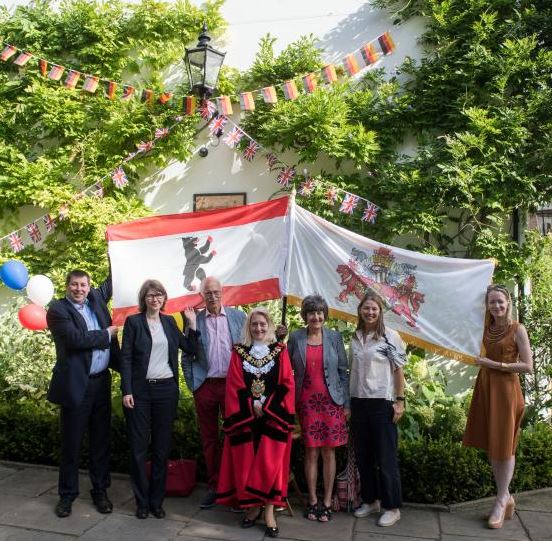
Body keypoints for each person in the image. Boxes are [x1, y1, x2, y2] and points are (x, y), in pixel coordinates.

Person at [120, 279, 199, 519]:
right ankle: (141, 502)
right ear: (143, 299)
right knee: (138, 448)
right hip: (141, 392)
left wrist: (192, 325)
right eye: (150, 296)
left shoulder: (168, 322)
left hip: (166, 391)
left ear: (164, 299)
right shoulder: (133, 323)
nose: (155, 299)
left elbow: (190, 348)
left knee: (162, 449)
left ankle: (156, 501)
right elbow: (126, 359)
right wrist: (127, 390)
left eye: (159, 295)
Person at [46, 268, 120, 518]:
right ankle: (67, 495)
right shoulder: (57, 310)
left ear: (89, 287)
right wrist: (107, 334)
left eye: (83, 285)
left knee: (101, 442)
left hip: (101, 383)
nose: (79, 289)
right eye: (74, 285)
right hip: (77, 385)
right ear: (67, 286)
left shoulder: (96, 299)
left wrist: (116, 247)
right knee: (72, 444)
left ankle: (100, 491)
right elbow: (76, 339)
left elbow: (113, 280)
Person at [216, 307, 295, 538]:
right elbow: (234, 383)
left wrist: (267, 406)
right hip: (248, 417)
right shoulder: (239, 352)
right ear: (248, 327)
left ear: (269, 326)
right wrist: (252, 405)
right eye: (254, 324)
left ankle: (269, 511)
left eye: (262, 324)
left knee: (271, 465)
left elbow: (286, 383)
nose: (258, 328)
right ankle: (251, 508)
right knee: (249, 464)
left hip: (272, 416)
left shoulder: (280, 351)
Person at [463, 284, 533, 529]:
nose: (496, 306)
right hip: (485, 388)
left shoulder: (517, 329)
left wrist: (495, 364)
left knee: (504, 445)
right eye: (492, 302)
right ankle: (505, 497)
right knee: (493, 444)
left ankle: (502, 499)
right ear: (487, 306)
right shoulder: (485, 329)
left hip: (506, 391)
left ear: (508, 302)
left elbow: (527, 366)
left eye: (500, 301)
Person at [181, 276, 247, 508]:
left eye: (216, 292)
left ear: (222, 292)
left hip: (232, 385)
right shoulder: (194, 320)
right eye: (208, 293)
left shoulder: (239, 317)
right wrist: (194, 385)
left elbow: (251, 348)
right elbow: (187, 355)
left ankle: (234, 487)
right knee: (209, 439)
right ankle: (214, 486)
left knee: (235, 436)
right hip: (206, 386)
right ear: (202, 295)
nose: (212, 296)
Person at [287, 295, 349, 522]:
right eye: (312, 313)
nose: (316, 316)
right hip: (306, 404)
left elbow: (343, 372)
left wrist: (346, 404)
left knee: (329, 452)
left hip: (332, 403)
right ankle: (313, 501)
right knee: (311, 452)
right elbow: (287, 370)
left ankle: (327, 501)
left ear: (325, 315)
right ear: (305, 316)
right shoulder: (295, 337)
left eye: (320, 312)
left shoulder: (334, 337)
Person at [349, 292, 406, 527]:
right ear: (360, 310)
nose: (370, 312)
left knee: (385, 457)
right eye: (366, 308)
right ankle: (371, 500)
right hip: (358, 402)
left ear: (381, 311)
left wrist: (400, 400)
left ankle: (392, 507)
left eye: (374, 308)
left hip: (382, 402)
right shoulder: (355, 336)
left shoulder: (391, 337)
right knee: (364, 456)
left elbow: (399, 371)